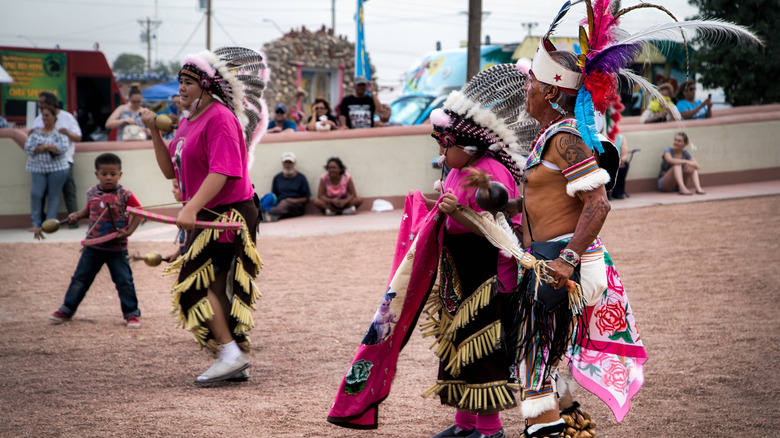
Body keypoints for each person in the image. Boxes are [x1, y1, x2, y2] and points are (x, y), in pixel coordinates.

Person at [140, 46, 267, 384]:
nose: (181, 88)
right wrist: (154, 131)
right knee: (209, 284)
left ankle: (230, 354)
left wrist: (192, 206)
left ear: (207, 86)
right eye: (179, 81)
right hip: (207, 214)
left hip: (228, 215)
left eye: (189, 82)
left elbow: (223, 171)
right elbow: (171, 170)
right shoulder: (187, 121)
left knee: (193, 282)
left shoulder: (220, 118)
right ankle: (231, 354)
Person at [421, 64, 532, 438]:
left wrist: (458, 214)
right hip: (461, 275)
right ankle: (464, 424)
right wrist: (436, 202)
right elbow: (452, 206)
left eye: (444, 145)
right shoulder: (458, 168)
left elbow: (498, 232)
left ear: (466, 145)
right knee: (461, 349)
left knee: (485, 353)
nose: (440, 152)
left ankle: (490, 429)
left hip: (489, 278)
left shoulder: (491, 171)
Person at [48, 153, 143, 327]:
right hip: (93, 246)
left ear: (120, 175)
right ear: (96, 174)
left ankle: (131, 313)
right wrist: (77, 215)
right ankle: (67, 309)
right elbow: (88, 210)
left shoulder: (125, 194)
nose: (108, 177)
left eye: (113, 174)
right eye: (104, 173)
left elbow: (139, 211)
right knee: (80, 279)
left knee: (124, 281)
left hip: (117, 248)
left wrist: (128, 231)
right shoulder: (91, 192)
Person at [33, 91, 82, 225]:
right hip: (43, 162)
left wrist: (66, 132)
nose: (39, 105)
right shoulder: (38, 119)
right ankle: (41, 223)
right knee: (40, 193)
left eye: (42, 102)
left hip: (65, 160)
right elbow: (31, 138)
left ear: (51, 104)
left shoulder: (67, 118)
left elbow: (78, 137)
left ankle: (73, 220)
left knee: (68, 191)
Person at [24, 106, 70, 232]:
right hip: (38, 168)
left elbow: (61, 149)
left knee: (53, 195)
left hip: (57, 168)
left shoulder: (60, 134)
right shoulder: (35, 133)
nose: (44, 118)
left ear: (54, 117)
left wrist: (44, 147)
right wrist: (48, 147)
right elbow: (28, 148)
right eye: (43, 115)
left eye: (47, 115)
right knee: (36, 194)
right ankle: (36, 223)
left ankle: (49, 225)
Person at [262, 152, 311, 221]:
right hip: (279, 205)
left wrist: (290, 200)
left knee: (285, 204)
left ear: (294, 163)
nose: (288, 165)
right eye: (286, 162)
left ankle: (267, 213)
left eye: (290, 162)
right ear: (282, 163)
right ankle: (272, 216)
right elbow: (274, 196)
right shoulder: (277, 178)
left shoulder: (301, 178)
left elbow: (306, 199)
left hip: (296, 207)